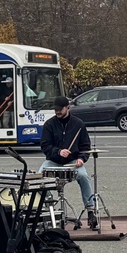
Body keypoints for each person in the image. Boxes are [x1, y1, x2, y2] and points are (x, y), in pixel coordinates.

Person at [40, 96, 98, 228]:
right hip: (53, 161)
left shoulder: (78, 124)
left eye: (60, 109)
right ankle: (47, 209)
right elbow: (45, 146)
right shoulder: (49, 124)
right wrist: (58, 151)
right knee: (38, 177)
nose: (58, 112)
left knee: (83, 176)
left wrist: (81, 158)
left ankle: (91, 211)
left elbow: (85, 147)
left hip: (73, 161)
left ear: (68, 108)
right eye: (56, 109)